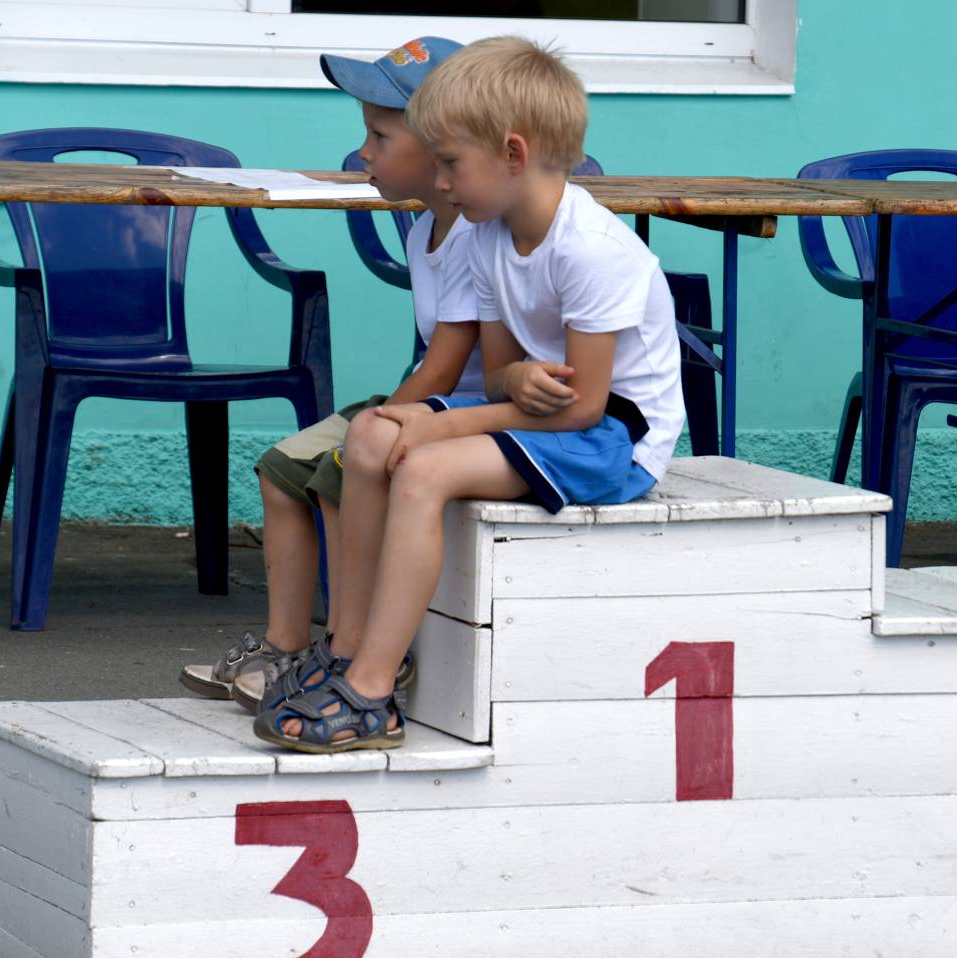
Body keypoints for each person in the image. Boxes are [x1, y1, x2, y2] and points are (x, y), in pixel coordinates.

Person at [254, 36, 685, 754]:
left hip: (615, 439)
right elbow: (501, 369)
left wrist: (442, 427)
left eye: (451, 163)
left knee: (422, 467)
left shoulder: (591, 249)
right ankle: (345, 648)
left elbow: (586, 406)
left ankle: (372, 690)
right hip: (542, 415)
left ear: (513, 154)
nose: (441, 180)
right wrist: (506, 382)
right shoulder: (488, 235)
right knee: (371, 435)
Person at [179, 36, 480, 709]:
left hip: (460, 412)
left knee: (341, 468)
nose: (363, 152)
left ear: (445, 150)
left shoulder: (473, 234)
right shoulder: (424, 228)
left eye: (380, 136)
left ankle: (348, 650)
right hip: (427, 402)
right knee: (281, 466)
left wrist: (374, 425)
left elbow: (443, 371)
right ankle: (284, 645)